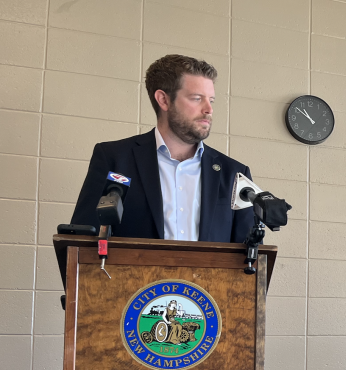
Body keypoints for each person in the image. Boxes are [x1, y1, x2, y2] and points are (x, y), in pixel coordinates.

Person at [71, 54, 254, 242]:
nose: (209, 109)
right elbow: (83, 241)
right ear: (164, 100)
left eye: (211, 100)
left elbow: (251, 259)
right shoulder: (115, 159)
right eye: (197, 98)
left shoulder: (234, 174)